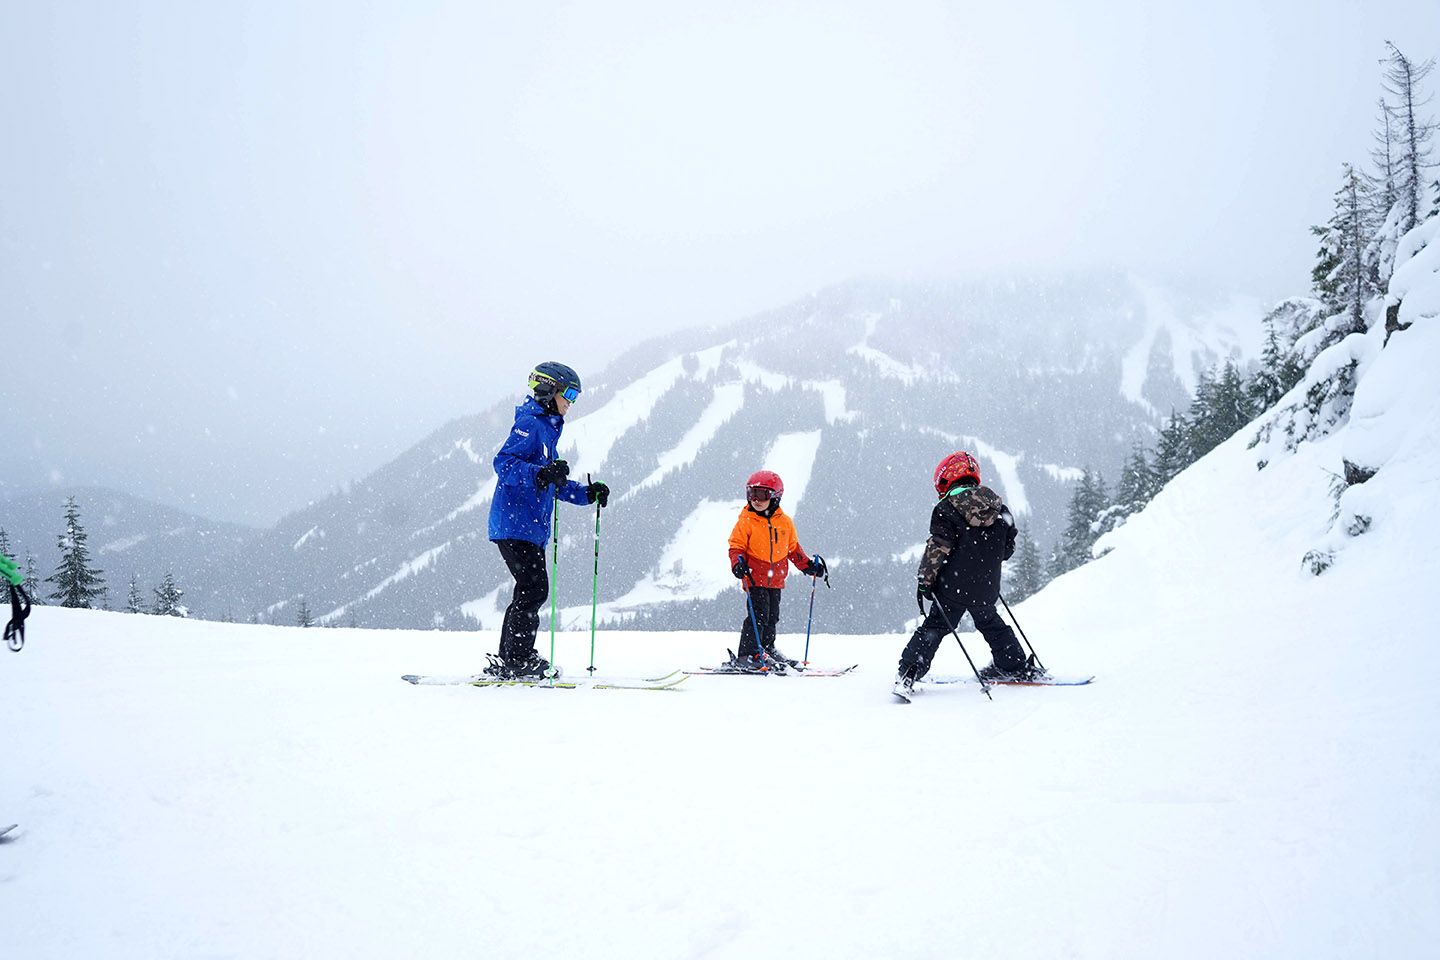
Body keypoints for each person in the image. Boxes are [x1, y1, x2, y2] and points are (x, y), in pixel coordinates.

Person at [485, 362, 609, 679]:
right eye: (568, 393)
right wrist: (539, 473)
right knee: (534, 589)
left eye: (575, 396)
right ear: (548, 390)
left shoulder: (547, 429)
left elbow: (552, 482)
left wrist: (587, 493)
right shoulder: (530, 424)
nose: (571, 402)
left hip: (527, 527)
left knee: (529, 589)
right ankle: (517, 659)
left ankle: (512, 657)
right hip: (515, 524)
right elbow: (504, 463)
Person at [894, 451, 1035, 697]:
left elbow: (938, 548)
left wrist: (924, 582)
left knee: (935, 627)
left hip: (952, 588)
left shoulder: (945, 509)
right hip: (987, 587)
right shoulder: (1000, 510)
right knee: (991, 624)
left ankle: (908, 673)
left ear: (947, 478)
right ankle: (1013, 665)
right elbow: (1006, 551)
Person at [725, 469, 826, 673]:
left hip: (776, 579)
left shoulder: (785, 522)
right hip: (754, 577)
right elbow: (736, 547)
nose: (756, 500)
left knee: (772, 617)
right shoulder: (746, 521)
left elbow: (793, 549)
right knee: (758, 614)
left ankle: (767, 648)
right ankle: (748, 653)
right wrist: (738, 564)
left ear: (775, 496)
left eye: (762, 495)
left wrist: (807, 566)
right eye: (752, 494)